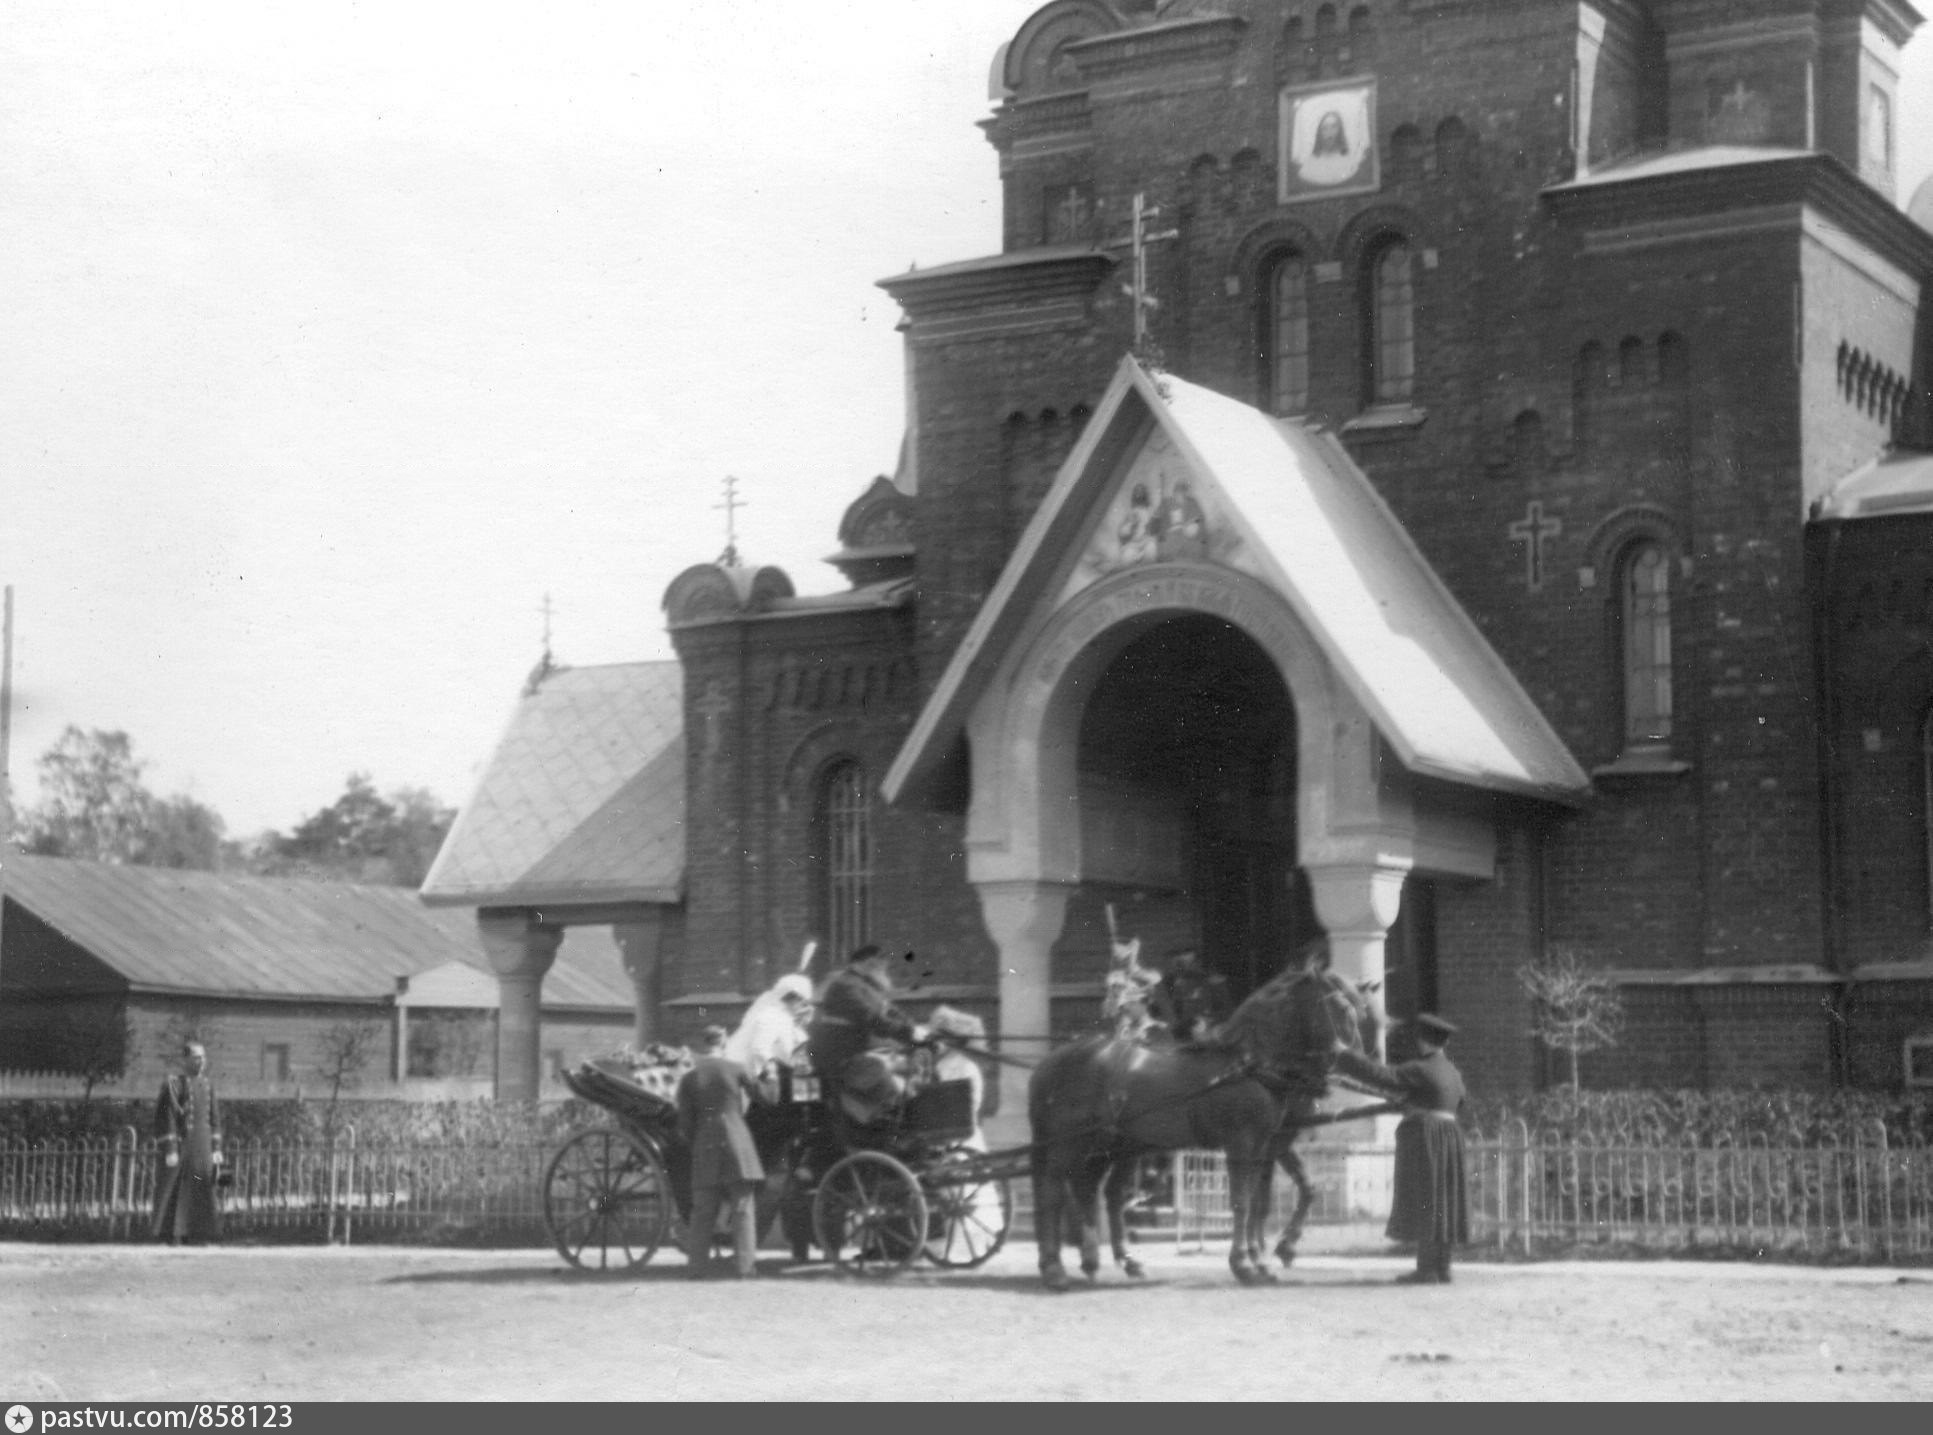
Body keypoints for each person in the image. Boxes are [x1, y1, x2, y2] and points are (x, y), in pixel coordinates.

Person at [1334, 1012, 1469, 1284]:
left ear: (1423, 1041)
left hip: (1427, 1137)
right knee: (1443, 1200)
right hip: (1451, 1135)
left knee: (1427, 1200)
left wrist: (1344, 1056)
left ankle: (1426, 1270)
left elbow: (1383, 1076)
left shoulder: (1420, 1068)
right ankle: (1442, 1267)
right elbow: (1458, 1102)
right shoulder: (1453, 1072)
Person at [675, 1024, 767, 1280]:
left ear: (703, 1045)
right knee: (743, 1208)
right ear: (724, 1044)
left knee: (702, 1211)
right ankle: (745, 1268)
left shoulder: (690, 1078)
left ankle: (696, 1269)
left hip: (706, 1144)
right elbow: (764, 1097)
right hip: (738, 1142)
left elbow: (684, 1124)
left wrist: (698, 1139)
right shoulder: (737, 1069)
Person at [805, 944, 926, 1124]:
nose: (883, 970)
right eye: (879, 965)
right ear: (866, 964)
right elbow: (871, 1018)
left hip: (858, 1053)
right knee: (887, 1084)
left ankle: (897, 1120)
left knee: (912, 1073)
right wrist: (908, 1032)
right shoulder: (845, 986)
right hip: (842, 1058)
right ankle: (885, 1127)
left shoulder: (866, 987)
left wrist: (915, 1028)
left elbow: (891, 1012)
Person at [152, 1039, 224, 1246]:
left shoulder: (209, 1086)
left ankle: (200, 1235)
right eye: (195, 1057)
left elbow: (215, 1120)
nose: (200, 1062)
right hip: (183, 1147)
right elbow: (168, 1119)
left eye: (203, 1057)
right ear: (185, 1060)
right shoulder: (174, 1085)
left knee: (203, 1191)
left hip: (203, 1149)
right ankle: (174, 1235)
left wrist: (217, 1148)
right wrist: (171, 1148)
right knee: (178, 1191)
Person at [724, 972, 814, 1078]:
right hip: (746, 1074)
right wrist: (770, 1075)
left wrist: (801, 1025)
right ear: (793, 1000)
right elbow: (760, 1048)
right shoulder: (772, 1016)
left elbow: (787, 1051)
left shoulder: (783, 1017)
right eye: (803, 1003)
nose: (804, 1008)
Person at [1150, 949, 1232, 1042]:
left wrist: (1206, 1021)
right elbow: (1160, 1013)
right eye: (1177, 965)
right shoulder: (1165, 985)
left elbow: (1226, 1012)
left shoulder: (1214, 983)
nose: (1179, 969)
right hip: (1177, 1037)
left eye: (1183, 964)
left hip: (1205, 1033)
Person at [1102, 933, 1162, 1041]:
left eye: (1125, 957)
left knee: (1135, 1026)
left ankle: (1135, 1035)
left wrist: (1137, 972)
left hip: (1138, 1008)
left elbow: (1155, 979)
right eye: (1118, 957)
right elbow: (1114, 993)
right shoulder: (1115, 976)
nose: (1120, 960)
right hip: (1125, 1008)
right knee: (1122, 1030)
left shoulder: (1142, 973)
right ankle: (1126, 1037)